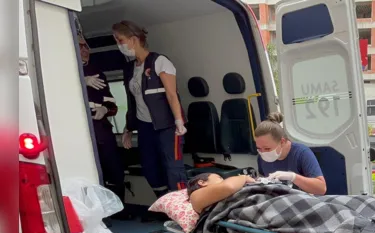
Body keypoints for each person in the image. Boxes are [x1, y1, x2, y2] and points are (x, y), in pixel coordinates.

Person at [113, 20, 188, 199]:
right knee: (149, 167)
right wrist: (128, 128)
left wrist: (179, 121)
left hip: (167, 125)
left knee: (173, 167)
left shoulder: (159, 61)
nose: (119, 45)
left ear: (133, 39)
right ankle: (165, 204)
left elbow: (171, 94)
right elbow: (133, 101)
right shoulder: (130, 69)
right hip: (145, 125)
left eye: (120, 40)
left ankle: (183, 208)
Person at [77, 21, 129, 220]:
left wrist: (104, 109)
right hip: (80, 128)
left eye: (86, 46)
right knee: (90, 172)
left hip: (101, 127)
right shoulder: (65, 70)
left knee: (114, 168)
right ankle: (97, 216)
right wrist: (81, 80)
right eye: (80, 46)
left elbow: (113, 105)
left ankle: (118, 211)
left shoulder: (98, 71)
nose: (84, 50)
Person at [188, 173, 255, 214]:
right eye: (220, 178)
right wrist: (243, 177)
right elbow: (228, 186)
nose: (224, 180)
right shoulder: (194, 196)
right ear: (202, 182)